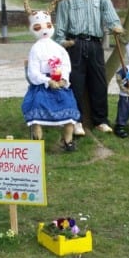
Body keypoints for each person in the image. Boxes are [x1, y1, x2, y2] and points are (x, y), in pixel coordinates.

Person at [54, 0, 124, 136]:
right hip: (74, 44)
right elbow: (61, 23)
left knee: (98, 82)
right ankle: (76, 121)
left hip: (94, 44)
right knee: (75, 83)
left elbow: (110, 15)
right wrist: (60, 41)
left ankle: (101, 120)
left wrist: (115, 25)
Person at [21, 9, 80, 152]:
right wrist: (47, 81)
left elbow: (66, 65)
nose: (44, 30)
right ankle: (37, 142)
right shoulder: (35, 49)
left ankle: (67, 141)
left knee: (70, 107)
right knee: (36, 108)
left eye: (47, 26)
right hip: (42, 86)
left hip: (60, 84)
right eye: (38, 27)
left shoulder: (59, 48)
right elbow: (33, 72)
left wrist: (64, 79)